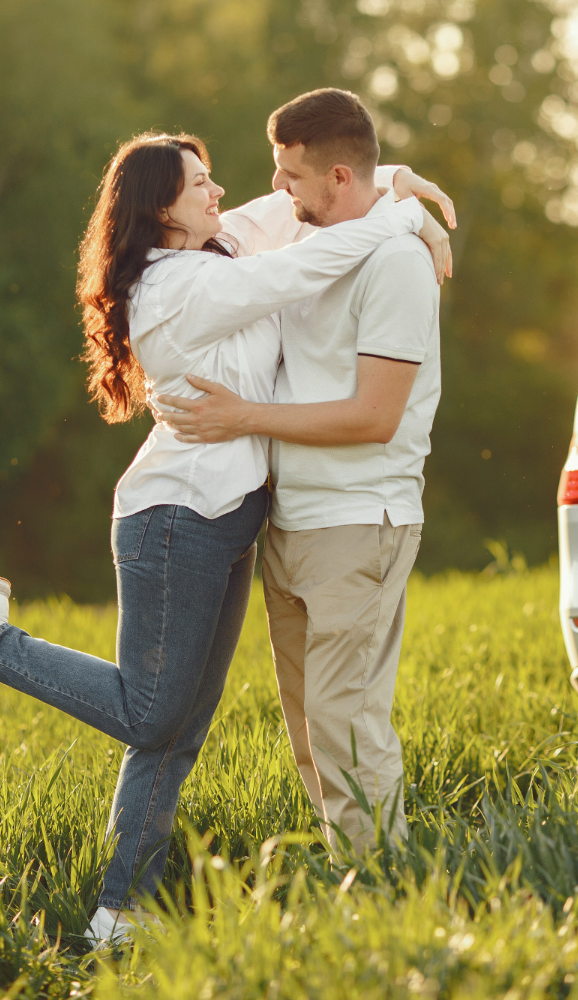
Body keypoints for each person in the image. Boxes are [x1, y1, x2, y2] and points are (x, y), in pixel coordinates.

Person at [0, 131, 453, 948]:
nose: (218, 191)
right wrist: (406, 218)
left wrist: (397, 181)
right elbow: (307, 264)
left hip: (230, 517)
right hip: (175, 519)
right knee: (150, 711)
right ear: (161, 208)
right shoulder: (179, 286)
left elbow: (305, 200)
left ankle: (119, 913)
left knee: (178, 729)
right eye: (200, 183)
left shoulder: (219, 246)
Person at [157, 89, 444, 854]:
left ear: (339, 177)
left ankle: (384, 880)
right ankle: (351, 866)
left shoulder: (396, 265)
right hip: (294, 521)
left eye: (289, 173)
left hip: (359, 519)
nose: (276, 186)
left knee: (346, 718)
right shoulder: (306, 235)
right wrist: (408, 193)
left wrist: (242, 417)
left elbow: (374, 416)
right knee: (310, 725)